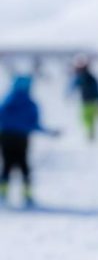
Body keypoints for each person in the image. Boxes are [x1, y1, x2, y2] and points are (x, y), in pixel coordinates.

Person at [0, 75, 60, 207]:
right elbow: (35, 124)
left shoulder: (7, 100)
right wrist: (49, 133)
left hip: (5, 137)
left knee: (7, 166)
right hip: (22, 139)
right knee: (24, 166)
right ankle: (27, 195)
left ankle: (2, 194)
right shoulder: (30, 103)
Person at [69, 57, 98, 142]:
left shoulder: (86, 77)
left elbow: (74, 85)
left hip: (89, 102)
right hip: (90, 101)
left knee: (88, 119)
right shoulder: (88, 77)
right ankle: (91, 133)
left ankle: (91, 134)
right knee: (89, 119)